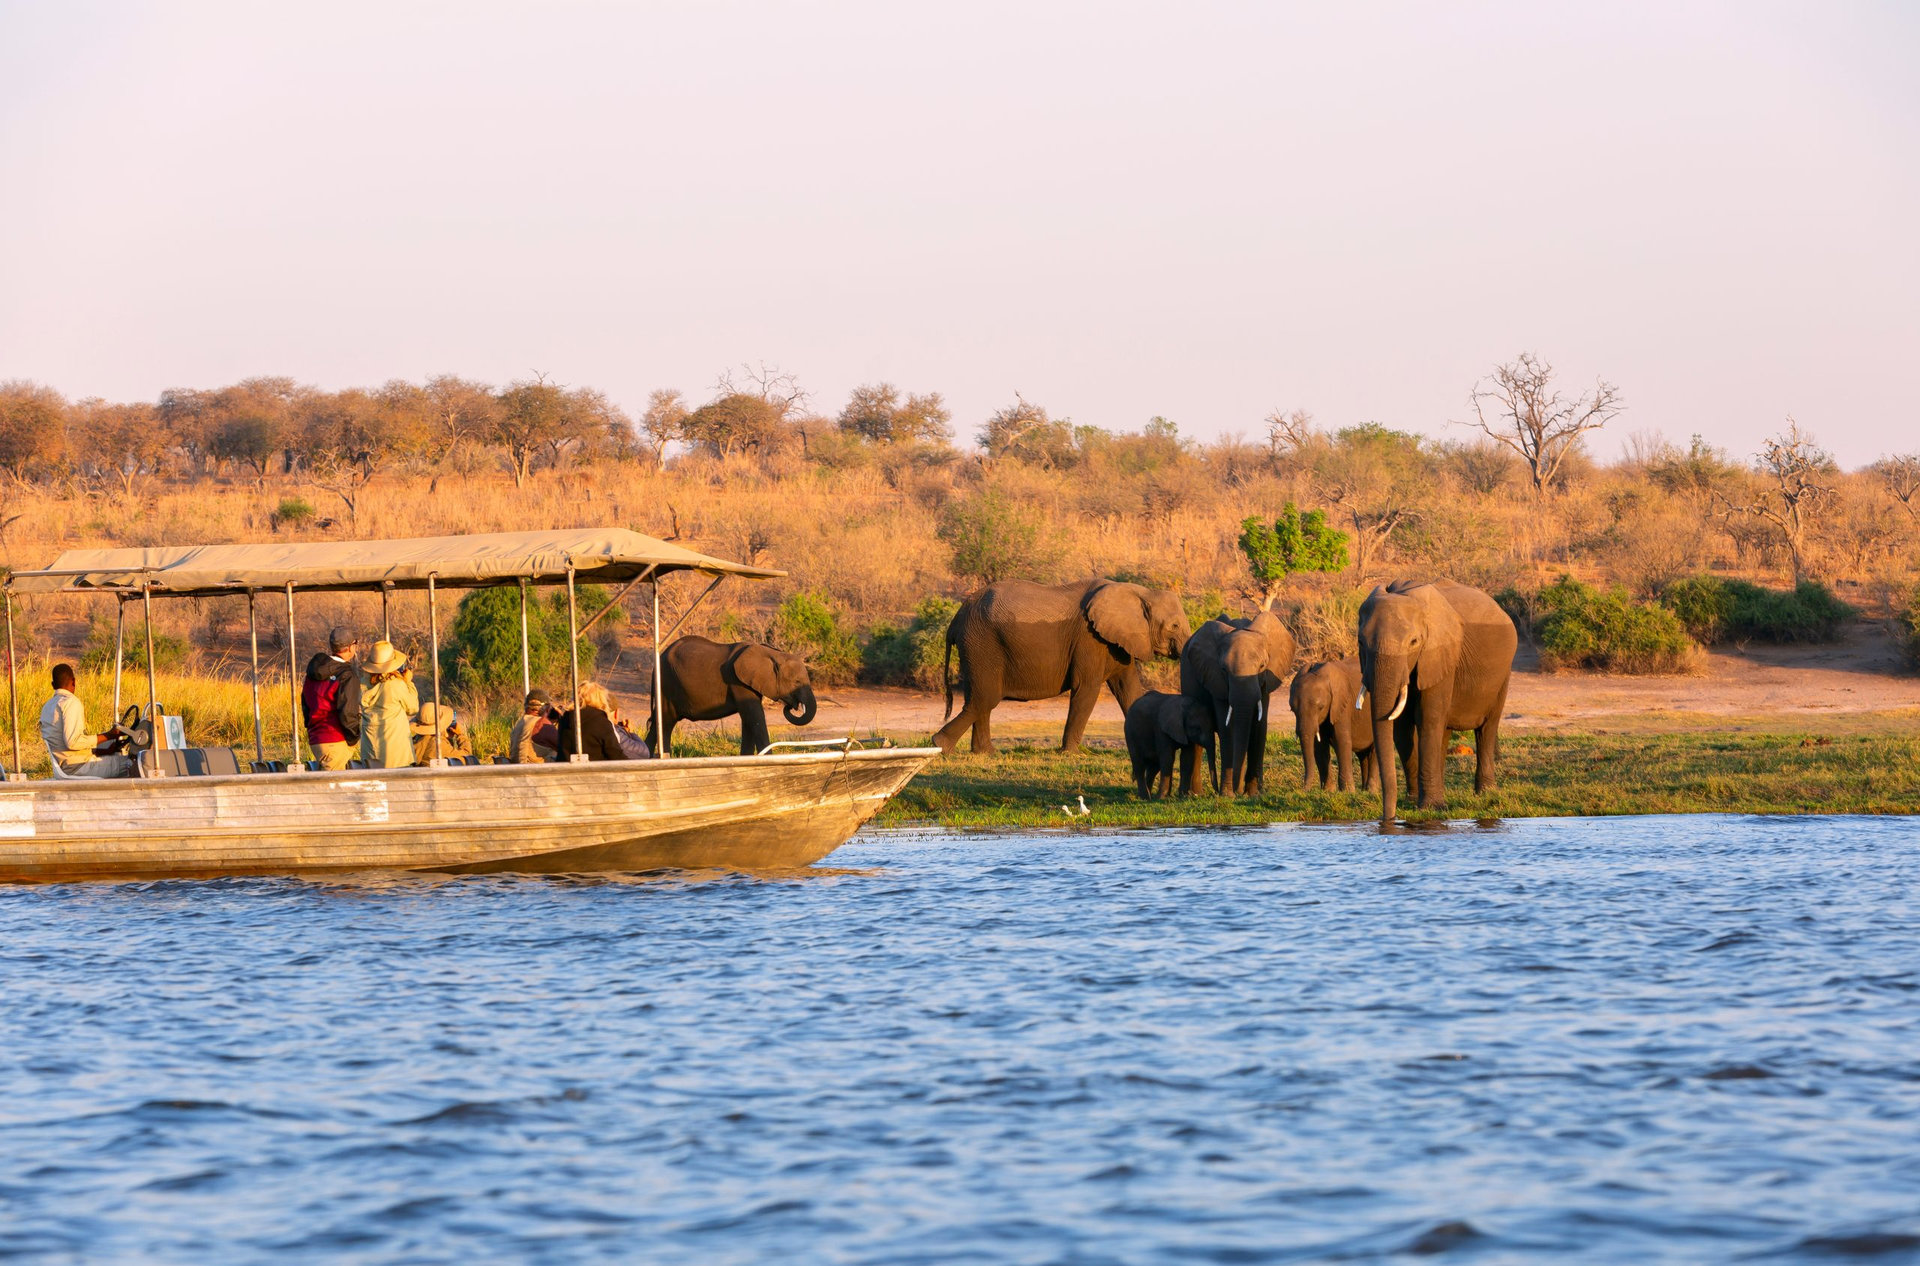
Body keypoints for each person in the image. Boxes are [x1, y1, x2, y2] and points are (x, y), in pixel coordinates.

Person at [39, 663, 133, 778]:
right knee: (132, 763)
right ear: (74, 681)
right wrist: (109, 735)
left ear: (53, 685)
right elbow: (73, 742)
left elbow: (69, 748)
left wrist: (105, 751)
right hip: (79, 768)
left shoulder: (47, 707)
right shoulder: (71, 702)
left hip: (67, 766)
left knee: (115, 757)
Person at [301, 627, 363, 770]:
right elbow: (348, 712)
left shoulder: (313, 671)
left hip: (316, 739)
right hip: (335, 738)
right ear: (349, 647)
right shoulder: (346, 675)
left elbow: (305, 703)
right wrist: (354, 738)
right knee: (334, 788)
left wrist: (311, 727)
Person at [357, 641, 418, 769]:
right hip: (397, 757)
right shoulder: (395, 685)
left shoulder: (362, 685)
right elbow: (413, 708)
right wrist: (408, 683)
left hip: (371, 755)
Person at [552, 681, 630, 761]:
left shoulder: (565, 719)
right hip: (594, 771)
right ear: (599, 698)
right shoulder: (601, 721)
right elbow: (615, 754)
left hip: (566, 771)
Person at [509, 689, 558, 763]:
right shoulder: (542, 724)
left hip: (519, 770)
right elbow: (565, 746)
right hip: (537, 772)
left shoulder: (520, 723)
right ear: (547, 708)